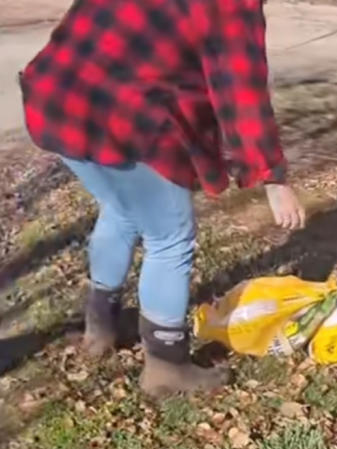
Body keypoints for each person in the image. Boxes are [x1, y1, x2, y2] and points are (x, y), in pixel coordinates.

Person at [18, 0, 305, 396]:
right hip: (125, 121)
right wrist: (273, 178)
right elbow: (241, 91)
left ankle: (99, 331)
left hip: (57, 99)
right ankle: (167, 368)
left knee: (121, 209)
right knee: (170, 238)